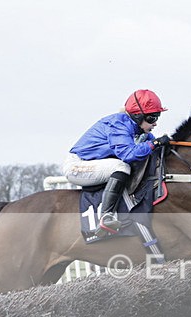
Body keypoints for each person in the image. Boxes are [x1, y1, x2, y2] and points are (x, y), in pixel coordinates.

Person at [63, 89, 170, 233]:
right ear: (137, 116)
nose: (155, 123)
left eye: (157, 117)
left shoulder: (138, 130)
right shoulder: (118, 125)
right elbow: (128, 154)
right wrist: (155, 143)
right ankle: (106, 217)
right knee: (121, 166)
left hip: (94, 165)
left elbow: (152, 148)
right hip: (77, 167)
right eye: (152, 118)